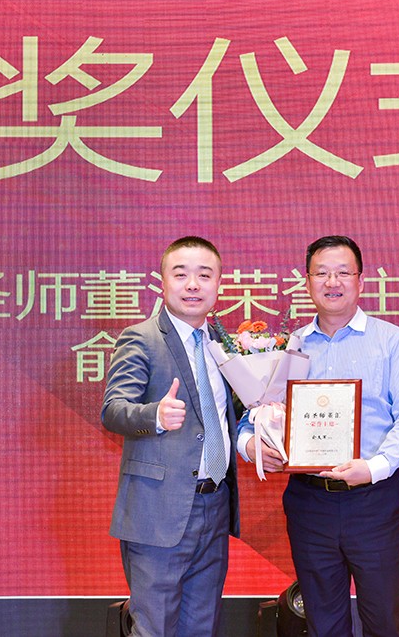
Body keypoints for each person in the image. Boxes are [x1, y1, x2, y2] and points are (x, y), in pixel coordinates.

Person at [238, 235, 399, 637]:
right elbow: (252, 414)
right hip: (309, 502)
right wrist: (252, 446)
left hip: (375, 500)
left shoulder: (393, 342)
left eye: (343, 272)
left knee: (383, 620)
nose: (332, 282)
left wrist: (373, 468)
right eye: (321, 273)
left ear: (361, 281)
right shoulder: (286, 348)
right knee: (323, 623)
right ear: (306, 282)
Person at [102, 236, 239, 637]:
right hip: (159, 510)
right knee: (154, 627)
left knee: (202, 625)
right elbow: (113, 409)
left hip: (215, 504)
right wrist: (156, 416)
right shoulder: (141, 337)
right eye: (181, 275)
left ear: (219, 285)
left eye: (204, 275)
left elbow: (229, 415)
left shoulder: (223, 344)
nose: (193, 285)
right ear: (162, 282)